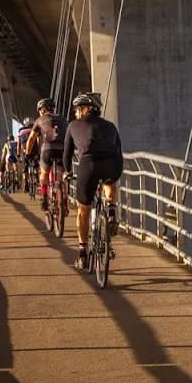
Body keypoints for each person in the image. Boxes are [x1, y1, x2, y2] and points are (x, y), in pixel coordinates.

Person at [62, 92, 122, 269]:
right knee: (110, 183)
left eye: (77, 110)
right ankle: (111, 210)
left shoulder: (73, 126)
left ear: (85, 109)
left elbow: (66, 154)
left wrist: (67, 172)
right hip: (111, 163)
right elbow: (118, 152)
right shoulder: (111, 126)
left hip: (88, 166)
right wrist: (116, 173)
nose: (75, 114)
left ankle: (82, 254)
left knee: (83, 209)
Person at [25, 97, 69, 210]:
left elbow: (31, 139)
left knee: (44, 173)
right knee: (61, 178)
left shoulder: (39, 120)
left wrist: (27, 154)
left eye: (39, 110)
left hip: (48, 149)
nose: (39, 113)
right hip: (63, 150)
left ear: (43, 110)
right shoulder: (63, 119)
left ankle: (44, 198)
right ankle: (64, 203)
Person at [17, 117, 36, 192]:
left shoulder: (21, 130)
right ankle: (36, 177)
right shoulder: (35, 129)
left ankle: (26, 183)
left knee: (25, 167)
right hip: (34, 149)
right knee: (36, 164)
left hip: (25, 150)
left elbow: (19, 143)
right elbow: (38, 140)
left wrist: (18, 154)